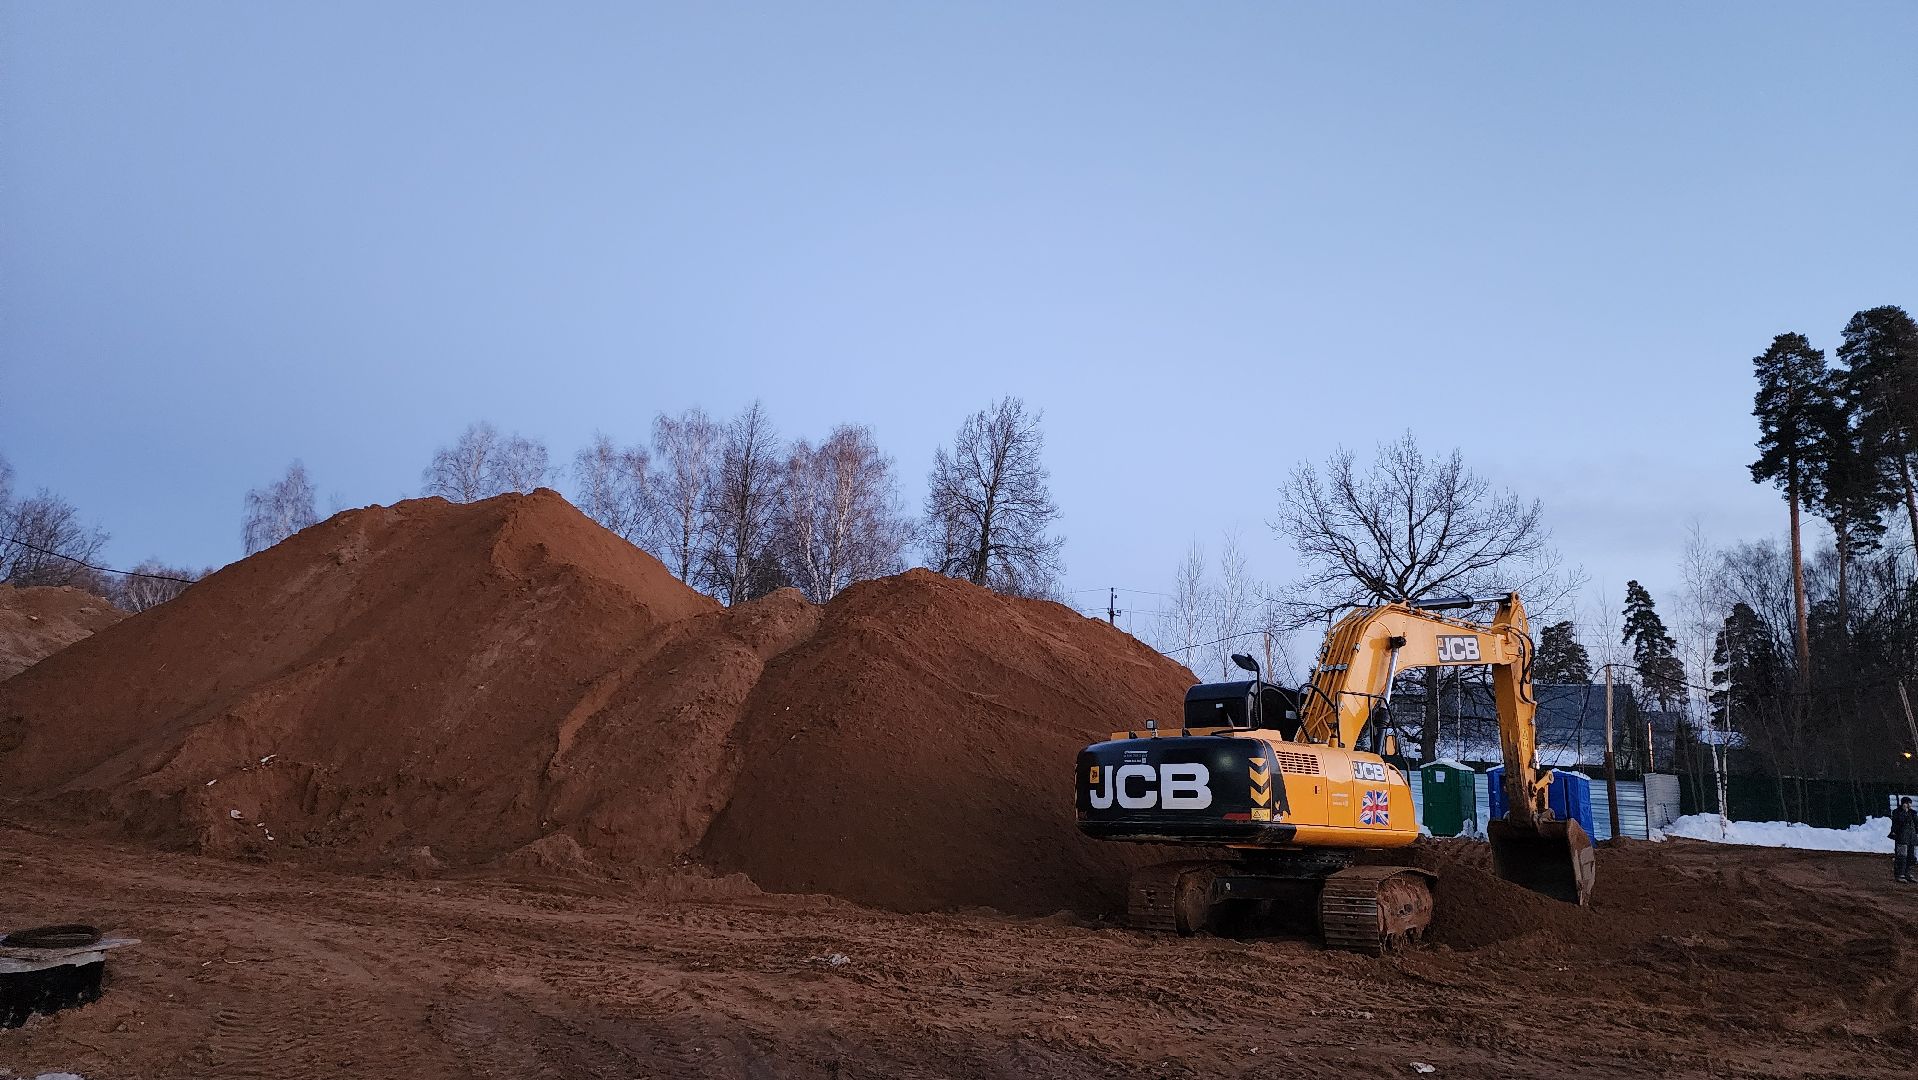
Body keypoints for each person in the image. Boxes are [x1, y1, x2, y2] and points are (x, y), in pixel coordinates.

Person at [1892, 797, 1918, 884]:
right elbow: (1900, 822)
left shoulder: (1913, 813)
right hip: (1901, 837)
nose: (1909, 805)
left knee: (1911, 857)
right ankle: (1900, 874)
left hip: (1911, 838)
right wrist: (1904, 812)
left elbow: (1916, 824)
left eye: (1910, 803)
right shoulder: (1897, 812)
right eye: (1907, 803)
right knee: (1902, 857)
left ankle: (1907, 873)